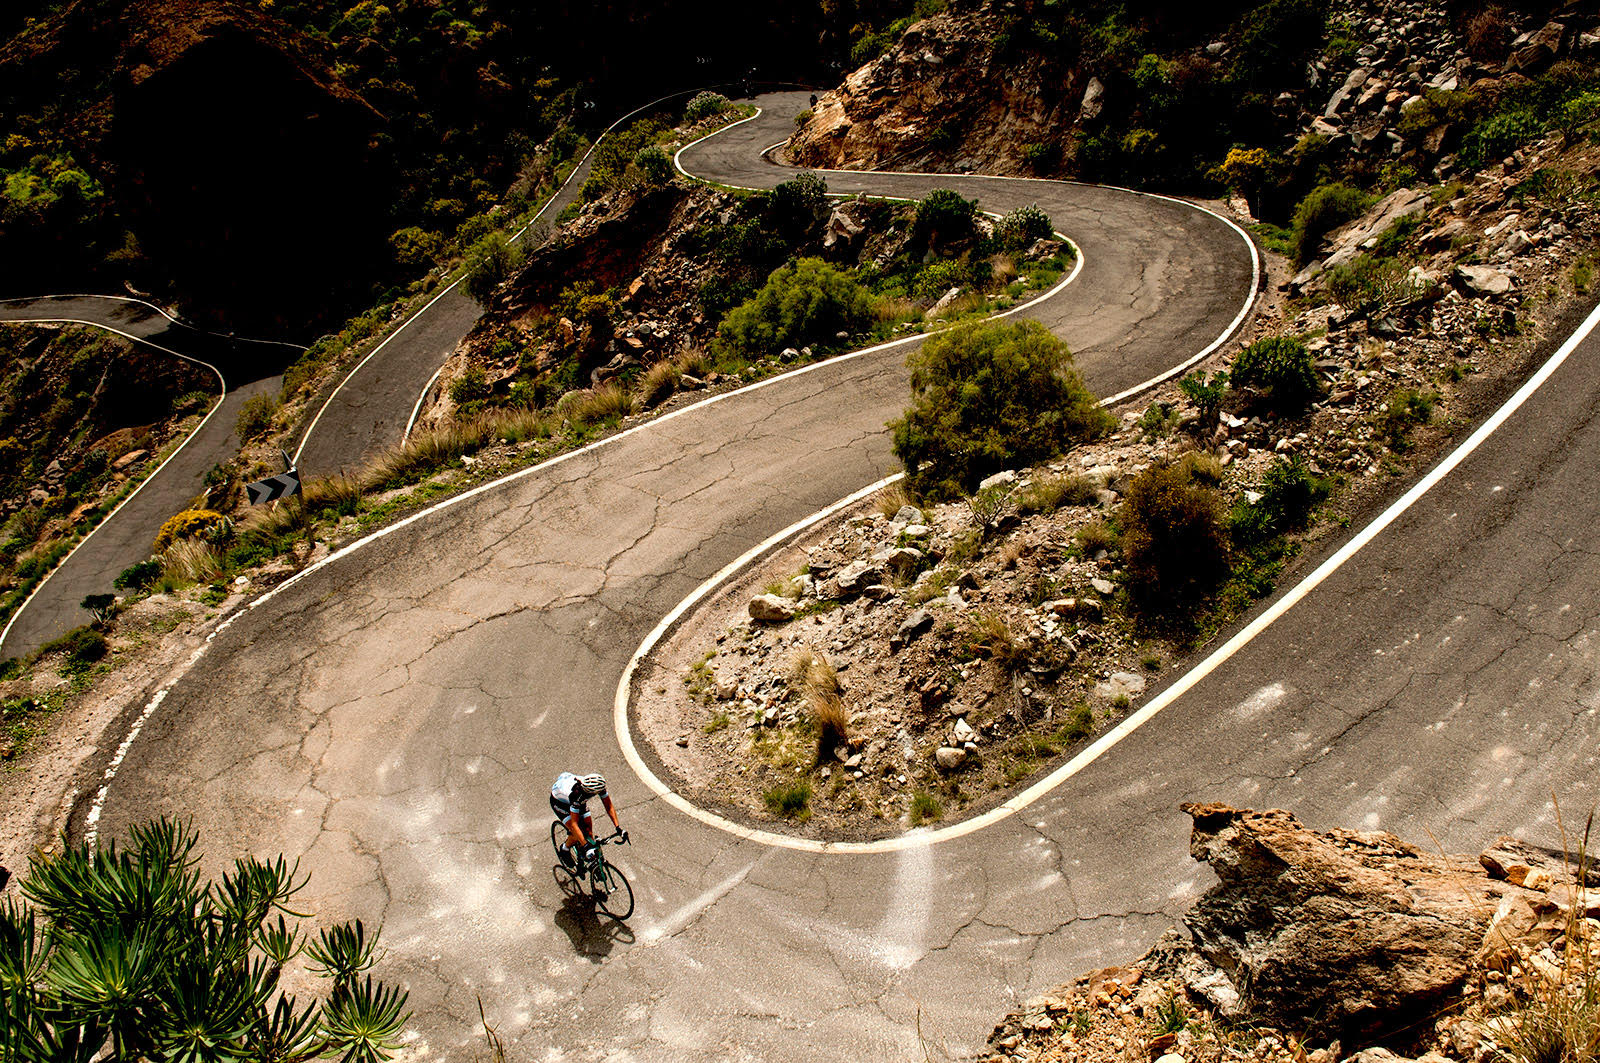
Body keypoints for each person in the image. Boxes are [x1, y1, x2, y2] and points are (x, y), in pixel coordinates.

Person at [551, 771, 626, 871]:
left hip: (578, 800)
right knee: (576, 833)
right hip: (560, 803)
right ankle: (565, 848)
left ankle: (586, 856)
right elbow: (574, 824)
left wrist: (618, 828)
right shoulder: (576, 794)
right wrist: (586, 846)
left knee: (589, 832)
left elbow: (608, 806)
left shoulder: (598, 786)